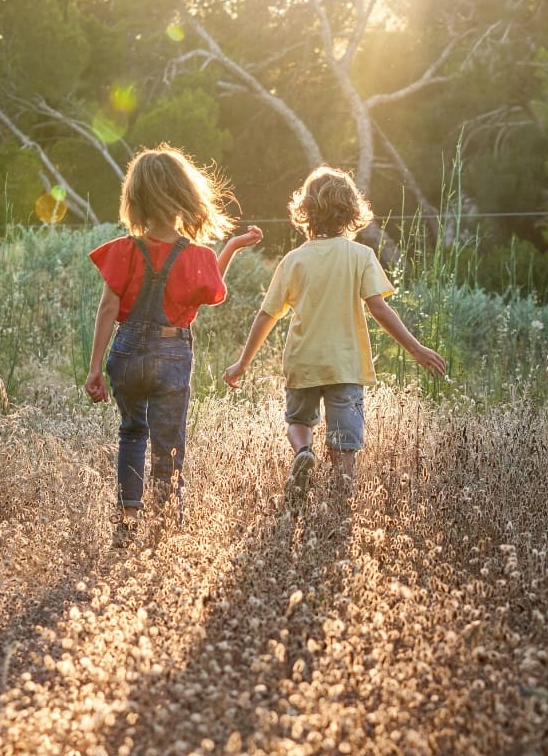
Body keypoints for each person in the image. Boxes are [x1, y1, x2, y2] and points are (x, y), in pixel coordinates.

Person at [222, 165, 446, 494]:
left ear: (306, 212)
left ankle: (303, 451)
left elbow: (266, 315)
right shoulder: (361, 256)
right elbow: (380, 308)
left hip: (304, 363)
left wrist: (243, 363)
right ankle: (341, 508)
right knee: (345, 448)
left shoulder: (294, 260)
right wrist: (417, 349)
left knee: (298, 422)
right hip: (345, 365)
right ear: (352, 211)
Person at [85, 144, 263, 545]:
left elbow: (108, 309)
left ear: (135, 199)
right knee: (168, 442)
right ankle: (164, 527)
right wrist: (229, 248)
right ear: (184, 194)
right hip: (172, 353)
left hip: (126, 350)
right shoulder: (196, 256)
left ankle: (128, 520)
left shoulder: (124, 250)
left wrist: (95, 367)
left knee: (132, 431)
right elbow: (213, 291)